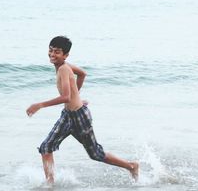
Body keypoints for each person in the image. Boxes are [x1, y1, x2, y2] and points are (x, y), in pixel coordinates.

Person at [26, 36, 139, 183]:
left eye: (57, 52)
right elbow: (82, 74)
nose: (52, 54)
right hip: (67, 116)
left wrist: (39, 105)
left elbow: (66, 97)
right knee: (46, 147)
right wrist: (77, 97)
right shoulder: (65, 66)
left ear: (65, 55)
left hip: (79, 117)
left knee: (95, 154)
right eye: (51, 50)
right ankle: (50, 184)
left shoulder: (64, 69)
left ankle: (131, 166)